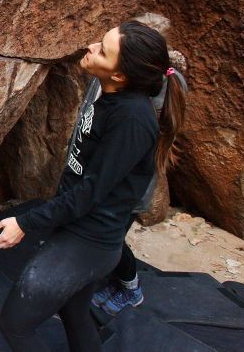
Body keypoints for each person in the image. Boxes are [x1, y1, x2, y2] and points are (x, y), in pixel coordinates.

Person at [0, 21, 187, 352]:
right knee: (74, 311)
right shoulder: (109, 92)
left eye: (103, 51)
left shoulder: (132, 121)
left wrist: (25, 221)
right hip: (78, 226)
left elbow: (91, 192)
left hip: (89, 241)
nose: (92, 46)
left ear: (120, 75)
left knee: (15, 324)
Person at [91, 68, 188, 316]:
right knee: (110, 240)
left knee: (113, 243)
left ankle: (131, 288)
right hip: (123, 194)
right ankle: (118, 282)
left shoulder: (141, 125)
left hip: (129, 198)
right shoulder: (144, 118)